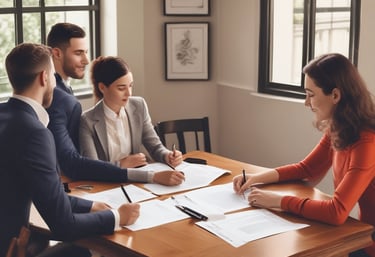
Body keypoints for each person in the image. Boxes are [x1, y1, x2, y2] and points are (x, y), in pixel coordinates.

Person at [0, 43, 140, 257]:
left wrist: (91, 205)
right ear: (44, 78)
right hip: (10, 250)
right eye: (53, 77)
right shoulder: (35, 133)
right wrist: (118, 217)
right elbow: (64, 226)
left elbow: (46, 193)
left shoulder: (5, 116)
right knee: (84, 252)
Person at [233, 53, 375, 257]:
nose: (306, 103)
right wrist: (256, 179)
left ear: (335, 95)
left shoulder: (367, 143)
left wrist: (278, 201)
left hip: (367, 243)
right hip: (362, 235)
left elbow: (336, 212)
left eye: (310, 94)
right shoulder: (340, 128)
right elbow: (307, 169)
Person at [46, 22, 184, 185]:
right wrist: (126, 167)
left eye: (86, 52)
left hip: (133, 184)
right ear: (56, 53)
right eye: (78, 53)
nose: (86, 60)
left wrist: (167, 155)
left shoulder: (65, 91)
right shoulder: (61, 99)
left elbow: (154, 145)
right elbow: (72, 162)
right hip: (93, 185)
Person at [79, 56, 184, 175]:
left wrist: (167, 155)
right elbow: (92, 167)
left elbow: (155, 147)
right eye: (121, 88)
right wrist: (121, 164)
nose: (129, 93)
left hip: (137, 180)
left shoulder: (139, 106)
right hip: (106, 185)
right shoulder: (87, 120)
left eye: (130, 86)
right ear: (102, 87)